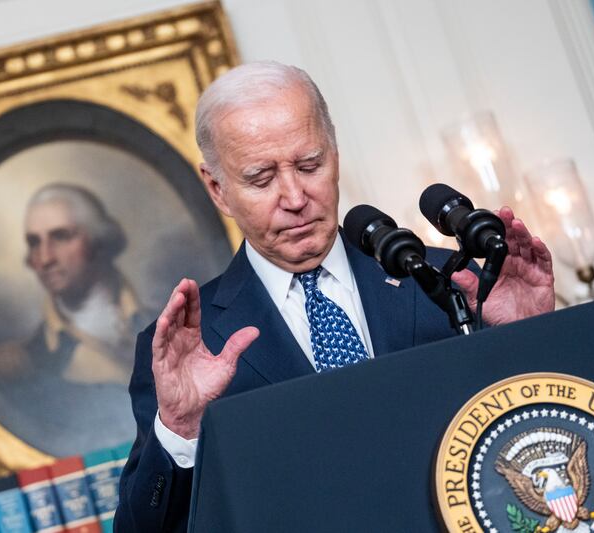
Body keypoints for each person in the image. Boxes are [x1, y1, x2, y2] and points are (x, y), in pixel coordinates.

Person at [114, 61, 555, 531]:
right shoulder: (191, 342)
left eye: (310, 165)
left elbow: (538, 440)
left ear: (336, 153)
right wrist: (181, 431)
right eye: (261, 179)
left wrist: (531, 338)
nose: (295, 196)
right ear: (218, 190)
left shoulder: (448, 281)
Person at [0, 183, 150, 456]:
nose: (44, 258)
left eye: (60, 237)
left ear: (99, 240)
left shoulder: (169, 317)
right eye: (34, 242)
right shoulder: (24, 363)